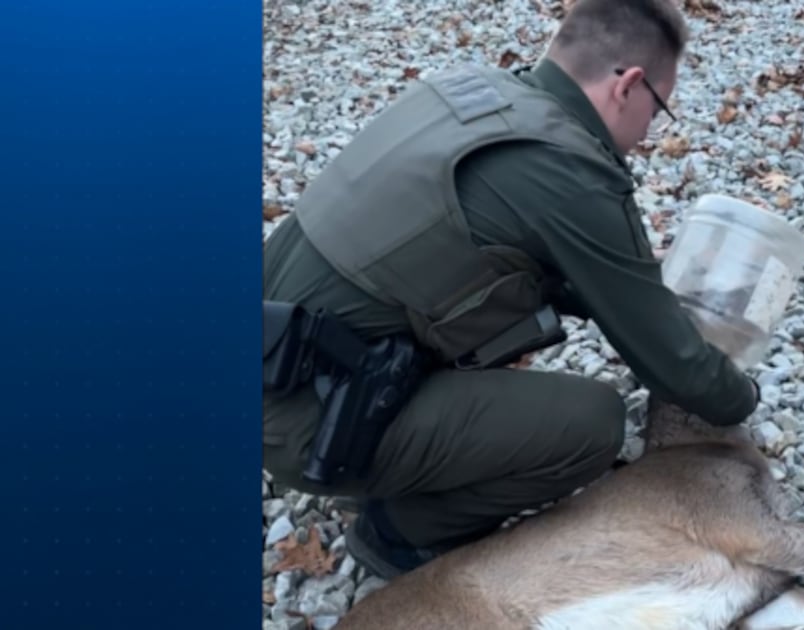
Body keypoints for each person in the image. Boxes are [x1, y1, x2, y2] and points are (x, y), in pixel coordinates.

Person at [262, 0, 760, 579]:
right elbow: (680, 369)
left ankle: (397, 456)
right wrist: (741, 397)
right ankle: (401, 532)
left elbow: (508, 252)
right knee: (591, 425)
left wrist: (617, 279)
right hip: (305, 424)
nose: (651, 132)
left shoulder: (471, 92)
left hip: (266, 358)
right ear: (628, 85)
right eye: (659, 108)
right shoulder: (572, 171)